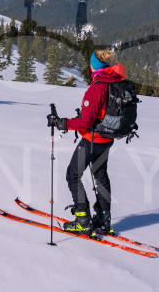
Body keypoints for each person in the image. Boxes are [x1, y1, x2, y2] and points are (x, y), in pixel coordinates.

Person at [47, 49, 127, 235]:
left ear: (94, 66)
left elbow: (85, 122)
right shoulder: (115, 82)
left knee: (73, 175)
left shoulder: (97, 88)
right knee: (100, 175)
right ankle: (103, 219)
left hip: (92, 140)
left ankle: (83, 220)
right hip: (107, 138)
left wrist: (61, 123)